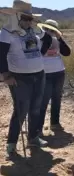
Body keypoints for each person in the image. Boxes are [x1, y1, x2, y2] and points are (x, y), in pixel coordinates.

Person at [0, 0, 53, 158]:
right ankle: (11, 144)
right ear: (16, 17)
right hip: (19, 77)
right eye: (26, 18)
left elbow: (48, 40)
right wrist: (6, 75)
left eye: (31, 19)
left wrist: (38, 57)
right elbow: (0, 56)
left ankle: (33, 138)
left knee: (36, 108)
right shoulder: (6, 33)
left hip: (39, 74)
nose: (29, 21)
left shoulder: (33, 31)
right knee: (21, 110)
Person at [37, 19, 71, 135]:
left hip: (59, 72)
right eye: (47, 29)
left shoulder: (57, 40)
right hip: (45, 73)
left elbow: (67, 52)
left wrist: (60, 38)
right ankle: (38, 127)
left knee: (57, 99)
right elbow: (40, 52)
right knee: (43, 101)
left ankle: (55, 123)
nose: (49, 31)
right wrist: (47, 39)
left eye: (52, 29)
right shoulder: (39, 39)